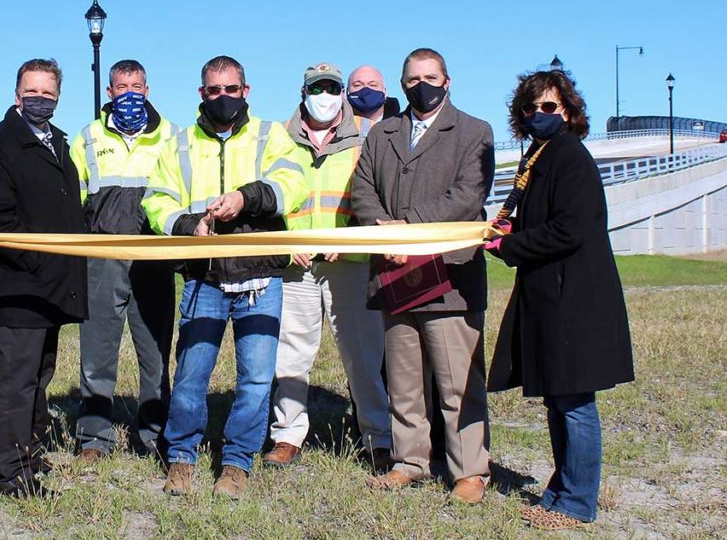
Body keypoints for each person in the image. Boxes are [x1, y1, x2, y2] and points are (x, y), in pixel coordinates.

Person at [143, 55, 307, 499]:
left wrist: (245, 197)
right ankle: (181, 458)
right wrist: (186, 223)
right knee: (192, 373)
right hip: (204, 279)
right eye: (214, 91)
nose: (223, 98)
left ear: (245, 92)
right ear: (202, 94)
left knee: (255, 378)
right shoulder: (178, 143)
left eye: (231, 90)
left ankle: (236, 463)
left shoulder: (272, 135)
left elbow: (293, 183)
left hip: (260, 280)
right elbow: (156, 199)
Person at [485, 69, 634, 530]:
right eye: (530, 108)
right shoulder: (541, 156)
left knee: (574, 403)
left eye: (548, 107)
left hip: (576, 300)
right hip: (551, 296)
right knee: (559, 399)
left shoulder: (570, 157)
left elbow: (572, 229)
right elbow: (540, 219)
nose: (538, 115)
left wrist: (511, 246)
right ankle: (562, 489)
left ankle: (577, 502)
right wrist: (509, 228)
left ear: (567, 111)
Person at [352, 48, 495, 504]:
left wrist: (407, 226)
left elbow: (467, 198)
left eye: (430, 77)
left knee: (458, 382)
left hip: (449, 276)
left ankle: (469, 469)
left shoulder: (474, 132)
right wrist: (382, 232)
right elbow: (363, 189)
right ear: (402, 84)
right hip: (393, 272)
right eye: (412, 79)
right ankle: (410, 460)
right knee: (404, 380)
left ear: (447, 81)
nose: (422, 85)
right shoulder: (382, 134)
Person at [263, 62, 392, 472]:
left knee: (364, 356)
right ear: (303, 92)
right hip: (296, 264)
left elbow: (376, 194)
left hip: (349, 262)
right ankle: (287, 436)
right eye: (316, 87)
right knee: (291, 356)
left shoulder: (368, 136)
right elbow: (271, 197)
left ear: (341, 92)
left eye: (331, 86)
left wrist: (349, 235)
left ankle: (378, 438)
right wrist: (287, 243)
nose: (324, 93)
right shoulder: (279, 138)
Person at [0, 58, 88, 498]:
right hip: (18, 284)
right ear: (17, 94)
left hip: (51, 287)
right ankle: (10, 473)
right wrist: (42, 263)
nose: (40, 99)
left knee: (40, 376)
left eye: (48, 93)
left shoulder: (57, 142)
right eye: (32, 91)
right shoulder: (1, 144)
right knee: (16, 381)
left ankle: (31, 452)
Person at [69, 60, 177, 460]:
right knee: (97, 351)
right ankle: (94, 437)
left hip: (153, 257)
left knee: (155, 351)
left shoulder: (172, 136)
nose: (128, 91)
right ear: (110, 92)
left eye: (136, 85)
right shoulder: (88, 137)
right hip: (102, 254)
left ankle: (153, 433)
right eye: (120, 85)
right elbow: (73, 196)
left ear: (147, 89)